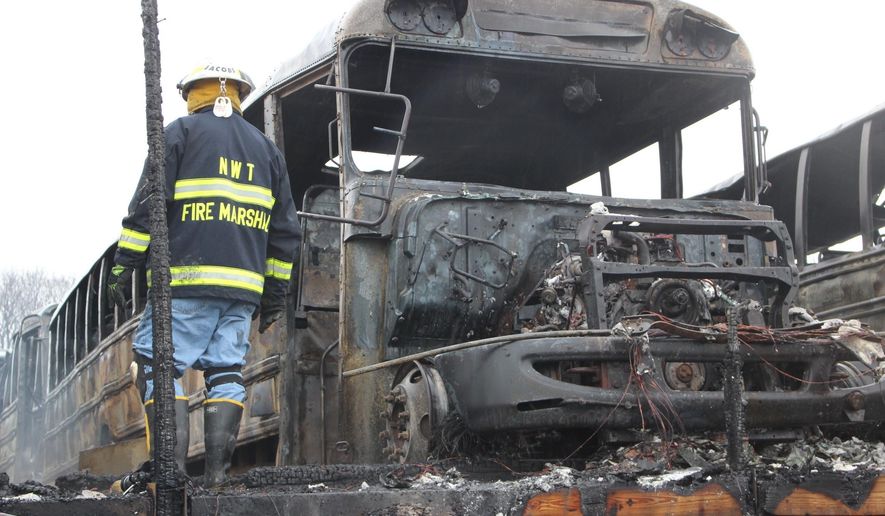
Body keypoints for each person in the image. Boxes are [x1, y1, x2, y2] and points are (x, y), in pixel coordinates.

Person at [107, 64, 301, 487]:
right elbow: (286, 234)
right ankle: (216, 477)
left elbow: (147, 208)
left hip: (186, 283)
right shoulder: (267, 153)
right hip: (242, 292)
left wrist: (124, 266)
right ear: (237, 96)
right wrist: (272, 297)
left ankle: (171, 473)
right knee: (227, 372)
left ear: (194, 93)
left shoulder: (178, 135)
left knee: (157, 362)